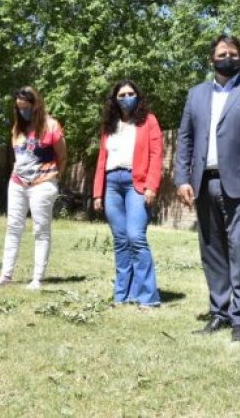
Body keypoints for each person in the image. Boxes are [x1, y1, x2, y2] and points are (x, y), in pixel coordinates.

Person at [174, 34, 240, 342]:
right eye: (222, 53)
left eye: (233, 53)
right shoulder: (196, 95)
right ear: (211, 59)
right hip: (204, 183)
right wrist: (182, 178)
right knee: (212, 252)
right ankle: (219, 313)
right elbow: (186, 139)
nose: (228, 57)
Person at [92, 80, 164, 308]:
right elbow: (101, 160)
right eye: (121, 95)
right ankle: (123, 295)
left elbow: (156, 155)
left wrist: (152, 186)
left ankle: (148, 297)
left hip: (137, 184)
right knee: (121, 241)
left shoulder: (148, 121)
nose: (126, 98)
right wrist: (97, 193)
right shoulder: (109, 125)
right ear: (114, 99)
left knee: (136, 237)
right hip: (112, 184)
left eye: (131, 93)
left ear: (138, 96)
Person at [0, 86, 66, 290]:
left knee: (40, 230)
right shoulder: (17, 127)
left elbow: (62, 155)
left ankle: (37, 278)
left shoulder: (51, 126)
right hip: (17, 183)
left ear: (36, 105)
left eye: (26, 107)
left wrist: (53, 177)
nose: (23, 111)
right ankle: (5, 275)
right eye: (19, 108)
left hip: (43, 184)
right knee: (13, 227)